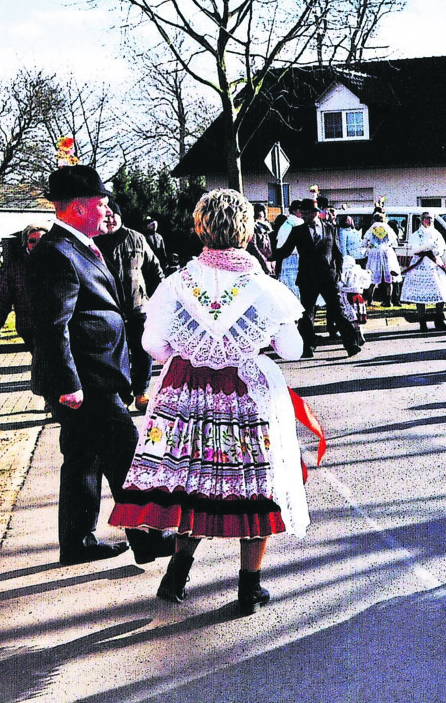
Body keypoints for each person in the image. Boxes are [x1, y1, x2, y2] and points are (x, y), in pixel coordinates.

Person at [109, 188, 314, 613]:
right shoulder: (264, 288)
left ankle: (176, 576)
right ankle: (248, 588)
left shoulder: (176, 284)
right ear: (244, 231)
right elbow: (292, 349)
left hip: (186, 395)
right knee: (251, 486)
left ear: (200, 226)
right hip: (244, 393)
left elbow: (154, 346)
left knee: (194, 482)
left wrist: (194, 346)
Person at [28, 165, 175, 566]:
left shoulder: (77, 246)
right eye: (100, 203)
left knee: (83, 459)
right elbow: (51, 325)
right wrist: (68, 382)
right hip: (86, 382)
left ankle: (77, 542)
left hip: (93, 376)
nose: (106, 209)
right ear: (77, 208)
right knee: (128, 455)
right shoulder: (58, 253)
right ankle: (147, 538)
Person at [273, 198, 362, 358]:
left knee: (337, 310)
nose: (304, 216)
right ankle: (308, 347)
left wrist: (338, 272)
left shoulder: (330, 228)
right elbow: (285, 251)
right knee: (307, 314)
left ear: (315, 213)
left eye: (307, 213)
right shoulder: (298, 230)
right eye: (302, 213)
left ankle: (351, 344)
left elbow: (337, 251)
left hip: (328, 276)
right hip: (307, 277)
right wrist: (269, 256)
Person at [96, 213, 164, 413]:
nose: (110, 220)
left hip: (138, 307)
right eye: (105, 216)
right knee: (116, 355)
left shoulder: (136, 238)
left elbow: (154, 270)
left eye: (113, 215)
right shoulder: (93, 241)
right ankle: (122, 395)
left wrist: (157, 299)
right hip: (109, 310)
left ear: (120, 217)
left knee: (143, 352)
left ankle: (141, 393)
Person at [0, 224, 46, 350]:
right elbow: (3, 299)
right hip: (29, 326)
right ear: (26, 243)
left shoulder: (59, 263)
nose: (37, 244)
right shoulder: (16, 269)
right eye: (32, 241)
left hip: (56, 325)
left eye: (41, 240)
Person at [400, 211, 446, 332]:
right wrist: (426, 247)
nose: (429, 221)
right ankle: (422, 321)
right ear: (421, 220)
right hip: (420, 265)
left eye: (431, 219)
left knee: (440, 292)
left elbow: (441, 246)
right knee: (420, 295)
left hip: (433, 264)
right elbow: (414, 248)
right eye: (426, 218)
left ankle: (439, 319)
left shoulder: (436, 233)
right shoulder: (416, 234)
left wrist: (436, 251)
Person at [362, 211, 401, 307]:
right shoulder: (387, 228)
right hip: (387, 253)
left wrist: (370, 247)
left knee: (372, 278)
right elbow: (394, 242)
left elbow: (364, 242)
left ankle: (370, 300)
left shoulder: (372, 229)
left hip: (375, 254)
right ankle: (388, 301)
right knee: (389, 278)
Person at [275, 200, 304, 300]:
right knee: (293, 292)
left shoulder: (299, 223)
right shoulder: (288, 225)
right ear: (295, 211)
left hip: (300, 261)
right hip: (291, 260)